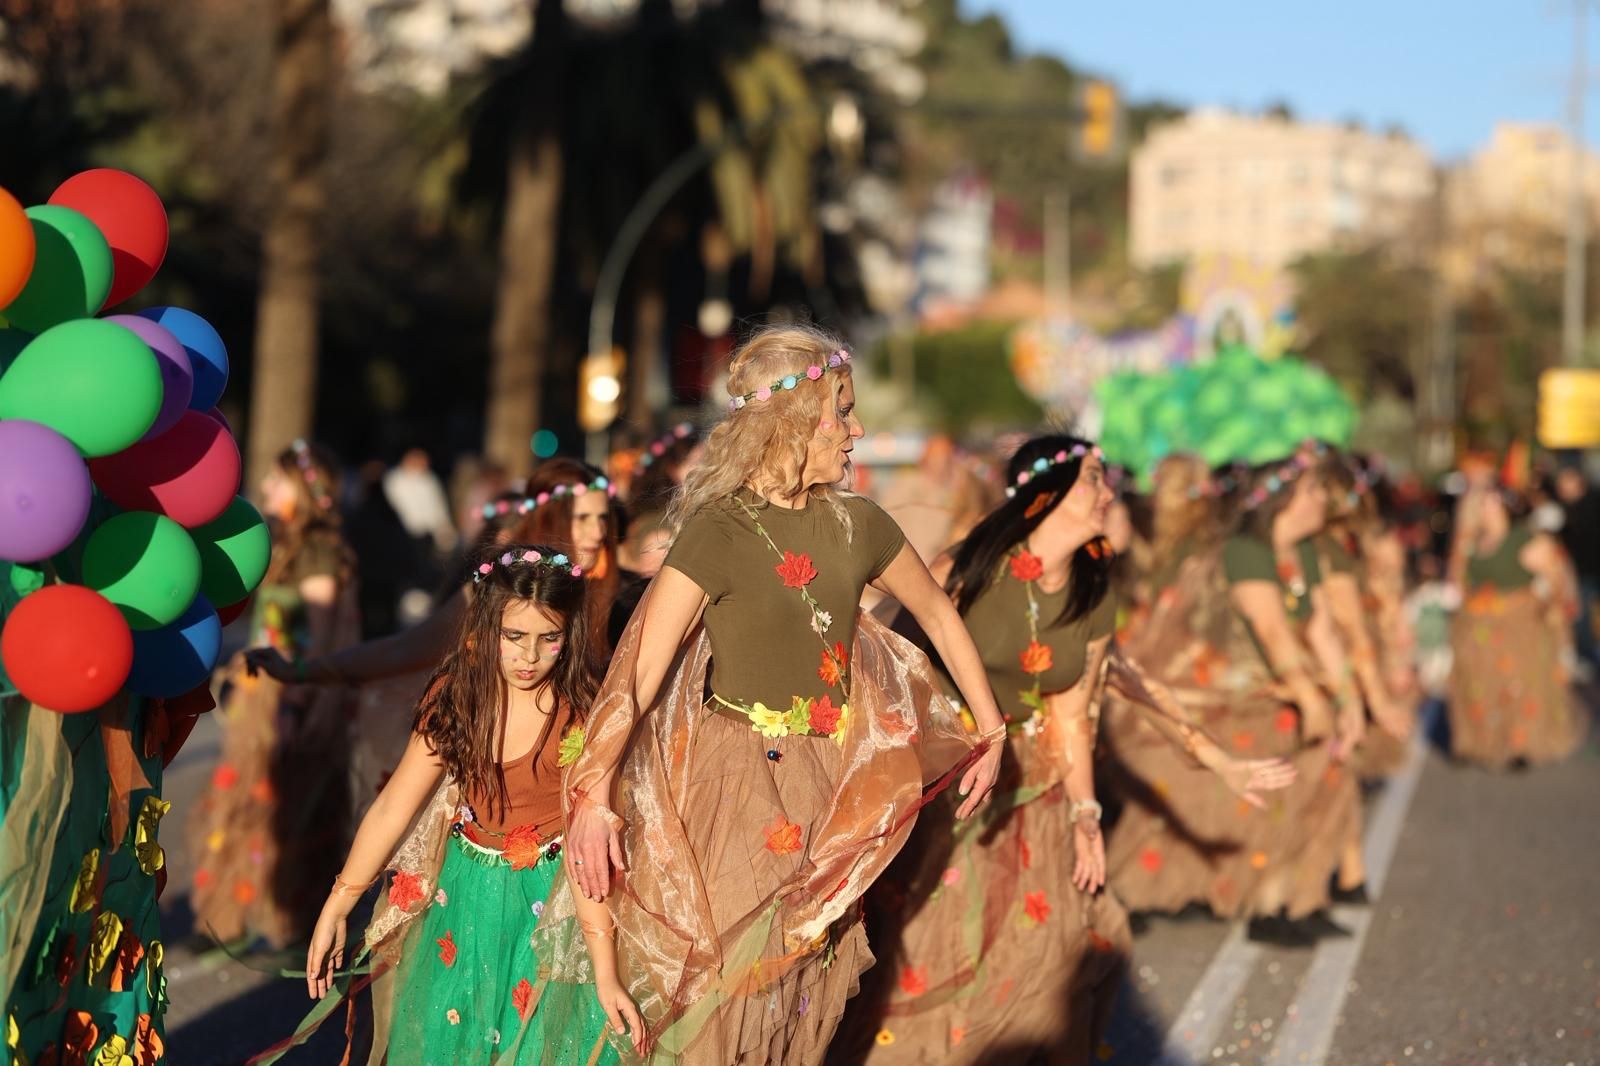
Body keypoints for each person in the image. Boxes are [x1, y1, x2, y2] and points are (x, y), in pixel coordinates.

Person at [549, 325, 1006, 1065]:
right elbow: (636, 677)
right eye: (843, 412)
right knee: (730, 985)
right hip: (733, 787)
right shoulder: (718, 532)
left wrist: (992, 728)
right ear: (794, 419)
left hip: (834, 787)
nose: (857, 431)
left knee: (800, 988)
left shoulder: (861, 525)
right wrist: (595, 792)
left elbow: (939, 617)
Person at [834, 437, 1294, 1065]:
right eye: (1094, 482)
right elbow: (882, 657)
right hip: (953, 789)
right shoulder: (967, 567)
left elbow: (1073, 717)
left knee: (1069, 946)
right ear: (1046, 495)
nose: (1109, 495)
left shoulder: (1092, 592)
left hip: (1038, 791)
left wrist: (1086, 816)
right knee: (942, 956)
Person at [292, 545, 643, 1064]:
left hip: (551, 911)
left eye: (549, 638)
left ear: (570, 634)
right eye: (514, 637)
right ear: (487, 626)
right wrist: (338, 904)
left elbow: (585, 855)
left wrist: (606, 972)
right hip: (460, 906)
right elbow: (394, 807)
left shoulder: (581, 712)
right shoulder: (457, 699)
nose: (528, 656)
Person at [1104, 451, 1361, 946]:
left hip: (1270, 690)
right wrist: (1312, 700)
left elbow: (1324, 628)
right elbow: (1271, 629)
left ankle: (1297, 899)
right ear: (1283, 499)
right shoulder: (1246, 550)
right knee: (1270, 789)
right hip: (1217, 693)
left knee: (1326, 778)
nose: (1323, 500)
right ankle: (1270, 906)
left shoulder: (1304, 549)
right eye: (1312, 490)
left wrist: (1346, 698)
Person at [190, 440, 361, 947]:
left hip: (290, 697)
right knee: (246, 799)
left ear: (307, 491)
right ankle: (228, 914)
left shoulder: (317, 551)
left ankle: (286, 916)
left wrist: (308, 699)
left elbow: (319, 634)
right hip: (266, 690)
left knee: (281, 803)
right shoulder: (288, 543)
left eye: (276, 479)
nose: (265, 487)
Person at [1447, 485, 1585, 768]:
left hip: (1517, 626)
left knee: (1517, 686)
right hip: (1478, 627)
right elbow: (1456, 581)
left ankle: (1518, 745)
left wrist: (1553, 607)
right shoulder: (1472, 543)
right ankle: (1480, 742)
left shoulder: (1523, 540)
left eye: (1492, 503)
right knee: (1479, 686)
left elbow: (1557, 575)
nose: (1486, 510)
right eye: (1481, 505)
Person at [1554, 464, 1600, 672]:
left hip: (1587, 571)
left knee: (1582, 617)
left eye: (1565, 481)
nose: (1561, 487)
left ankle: (1589, 656)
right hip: (1583, 571)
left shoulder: (1584, 506)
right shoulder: (1568, 508)